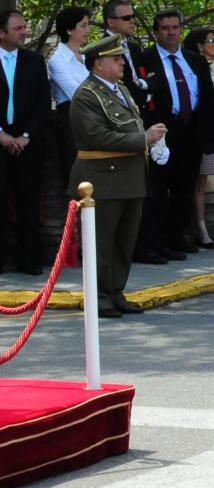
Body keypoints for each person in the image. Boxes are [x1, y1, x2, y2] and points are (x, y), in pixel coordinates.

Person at [68, 35, 168, 318]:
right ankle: (99, 297)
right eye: (116, 59)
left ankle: (115, 292)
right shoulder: (87, 94)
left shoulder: (120, 89)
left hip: (129, 178)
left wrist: (151, 137)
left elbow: (129, 126)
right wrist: (143, 139)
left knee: (124, 242)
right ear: (99, 64)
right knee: (101, 243)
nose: (123, 62)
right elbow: (98, 136)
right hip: (102, 180)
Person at [0, 10, 51, 279]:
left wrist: (26, 135)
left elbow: (42, 104)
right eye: (18, 28)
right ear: (2, 32)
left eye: (24, 26)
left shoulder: (35, 62)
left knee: (28, 199)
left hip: (28, 142)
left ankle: (30, 258)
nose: (24, 32)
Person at [139, 11, 214, 258]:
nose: (171, 32)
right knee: (158, 189)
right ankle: (157, 242)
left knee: (184, 188)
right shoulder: (146, 59)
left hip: (191, 131)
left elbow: (208, 97)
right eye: (165, 28)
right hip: (162, 131)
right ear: (155, 32)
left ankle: (177, 237)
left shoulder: (195, 60)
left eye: (175, 27)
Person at [48, 6, 92, 186]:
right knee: (77, 176)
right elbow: (78, 94)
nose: (88, 30)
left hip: (93, 117)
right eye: (83, 25)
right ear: (68, 29)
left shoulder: (86, 55)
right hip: (72, 118)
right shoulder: (57, 59)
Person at [183, 27, 214, 249]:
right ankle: (200, 229)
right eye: (211, 40)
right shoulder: (195, 67)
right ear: (199, 45)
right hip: (200, 132)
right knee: (198, 182)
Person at [103, 0, 154, 109]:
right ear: (111, 22)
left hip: (144, 110)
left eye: (133, 16)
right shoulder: (103, 49)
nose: (132, 21)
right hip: (120, 110)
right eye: (126, 18)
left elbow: (150, 76)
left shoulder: (134, 47)